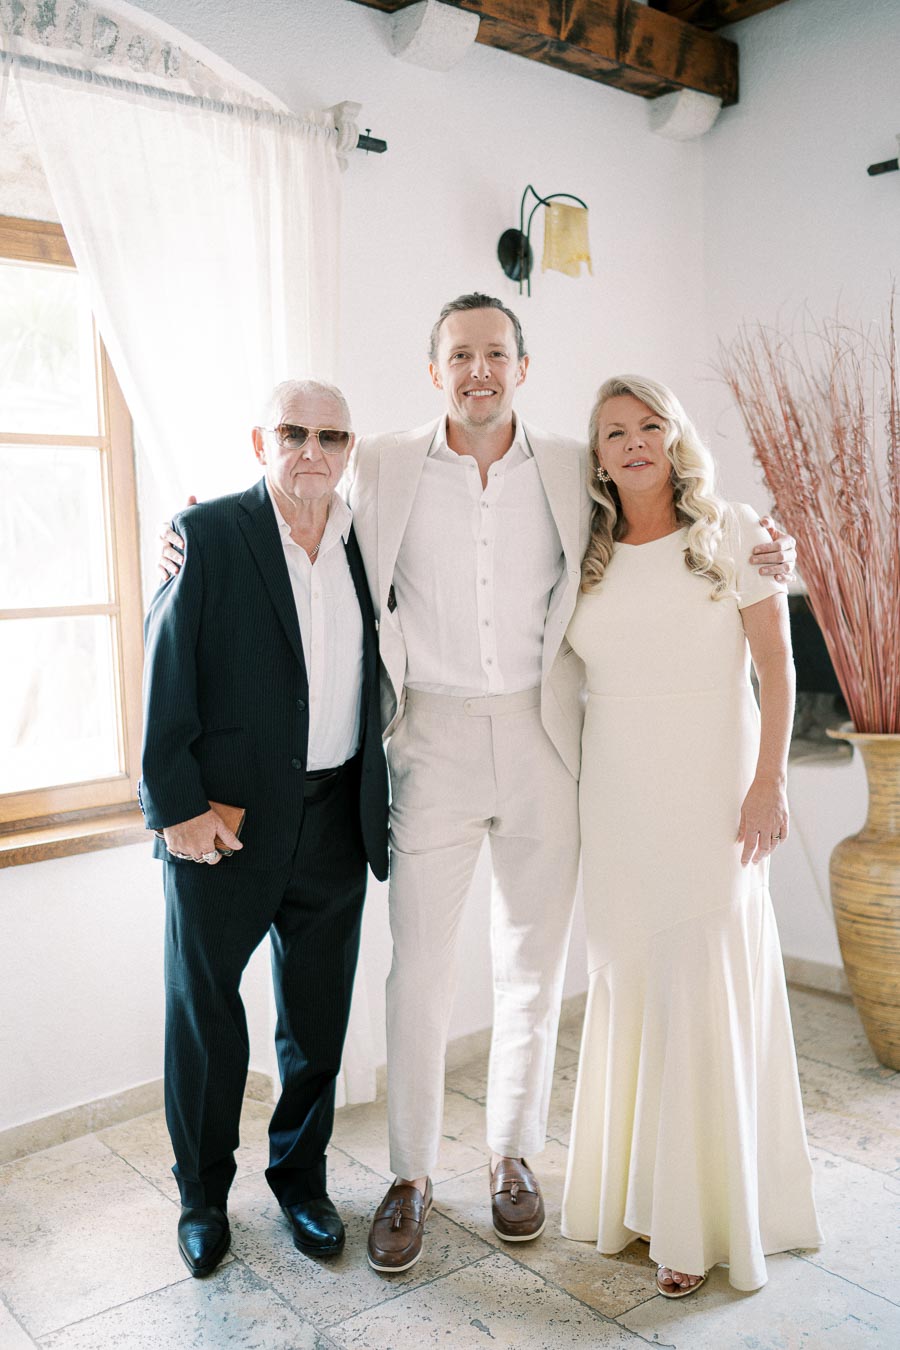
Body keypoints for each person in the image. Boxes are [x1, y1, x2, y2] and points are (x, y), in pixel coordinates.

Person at [158, 298, 796, 1274]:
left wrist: (769, 548)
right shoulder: (380, 463)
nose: (479, 371)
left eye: (496, 353)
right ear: (435, 372)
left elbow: (666, 508)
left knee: (533, 966)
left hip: (546, 736)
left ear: (524, 366)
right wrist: (182, 536)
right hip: (432, 739)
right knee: (420, 969)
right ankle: (409, 1176)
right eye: (461, 356)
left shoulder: (576, 465)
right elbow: (288, 501)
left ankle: (512, 1157)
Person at [560, 375, 822, 1297]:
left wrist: (770, 781)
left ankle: (697, 1219)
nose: (633, 443)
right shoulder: (579, 550)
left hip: (715, 790)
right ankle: (635, 1203)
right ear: (594, 455)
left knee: (701, 982)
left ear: (675, 437)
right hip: (619, 801)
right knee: (634, 982)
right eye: (614, 432)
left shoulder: (737, 531)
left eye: (649, 425)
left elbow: (777, 667)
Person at [140, 379, 389, 1278]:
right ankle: (202, 1197)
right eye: (295, 432)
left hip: (336, 818)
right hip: (223, 827)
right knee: (206, 1021)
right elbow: (162, 678)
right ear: (261, 440)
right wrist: (176, 812)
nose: (312, 450)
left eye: (331, 435)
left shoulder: (370, 543)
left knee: (316, 1021)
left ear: (350, 448)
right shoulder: (205, 536)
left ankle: (302, 1182)